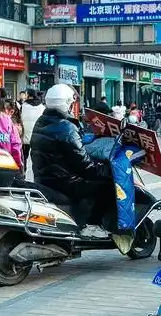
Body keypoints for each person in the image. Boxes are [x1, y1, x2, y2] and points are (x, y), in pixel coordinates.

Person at [30, 84, 113, 238]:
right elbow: (84, 165)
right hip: (65, 182)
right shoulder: (66, 127)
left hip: (44, 179)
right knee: (107, 185)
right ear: (66, 103)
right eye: (71, 103)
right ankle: (91, 225)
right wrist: (104, 170)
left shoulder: (40, 122)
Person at [21, 89, 45, 172]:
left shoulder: (23, 106)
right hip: (37, 136)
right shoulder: (42, 107)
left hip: (25, 137)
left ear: (29, 95)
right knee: (36, 158)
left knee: (24, 156)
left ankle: (23, 172)